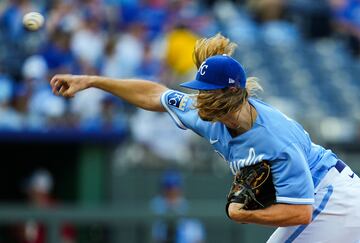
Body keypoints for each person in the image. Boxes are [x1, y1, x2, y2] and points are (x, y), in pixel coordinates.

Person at [50, 33, 360, 242]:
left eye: (209, 91)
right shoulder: (205, 114)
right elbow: (155, 94)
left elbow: (301, 211)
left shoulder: (275, 138)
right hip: (323, 199)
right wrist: (92, 81)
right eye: (201, 90)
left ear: (232, 91)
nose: (201, 97)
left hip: (331, 197)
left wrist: (244, 214)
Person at [150, 170, 205, 243]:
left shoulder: (188, 208)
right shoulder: (156, 206)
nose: (172, 192)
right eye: (168, 190)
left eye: (174, 190)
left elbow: (199, 239)